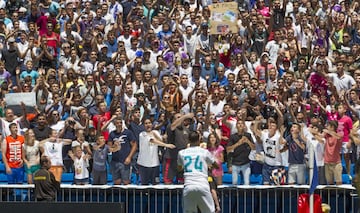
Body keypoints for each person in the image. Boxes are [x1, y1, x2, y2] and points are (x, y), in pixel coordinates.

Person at [178, 131, 218, 213]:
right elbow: (216, 165)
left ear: (188, 140)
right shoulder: (204, 152)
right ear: (199, 140)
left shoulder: (182, 153)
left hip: (188, 185)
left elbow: (179, 168)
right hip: (202, 184)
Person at [137, 118, 175, 185]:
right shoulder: (142, 134)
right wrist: (167, 145)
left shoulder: (156, 132)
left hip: (155, 164)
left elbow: (160, 141)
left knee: (156, 183)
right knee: (144, 184)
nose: (148, 125)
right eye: (146, 123)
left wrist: (155, 134)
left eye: (149, 123)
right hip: (143, 165)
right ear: (143, 125)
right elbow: (153, 141)